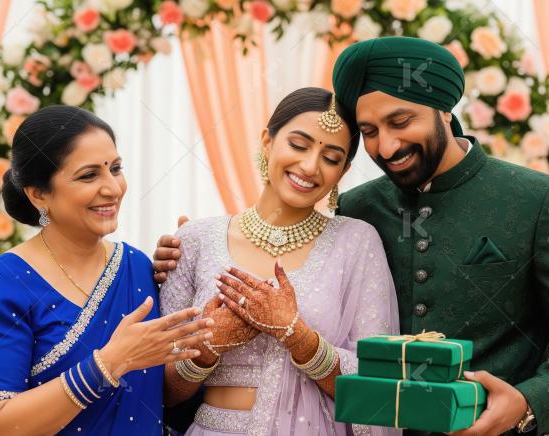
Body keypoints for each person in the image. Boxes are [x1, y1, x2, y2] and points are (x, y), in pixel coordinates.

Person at [155, 38, 549, 435]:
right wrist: (173, 259)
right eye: (369, 131)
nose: (387, 146)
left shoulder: (534, 200)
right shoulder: (361, 207)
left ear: (444, 109)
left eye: (401, 122)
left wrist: (527, 403)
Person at [158, 87, 400, 435]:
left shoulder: (356, 242)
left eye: (331, 158)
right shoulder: (196, 239)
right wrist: (207, 347)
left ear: (343, 172)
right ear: (268, 142)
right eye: (298, 145)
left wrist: (297, 335)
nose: (309, 166)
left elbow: (378, 383)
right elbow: (161, 391)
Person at [0, 105, 213, 435]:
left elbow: (154, 398)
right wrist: (107, 364)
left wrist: (202, 345)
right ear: (39, 194)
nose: (113, 188)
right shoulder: (3, 283)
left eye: (116, 168)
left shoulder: (136, 267)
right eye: (89, 175)